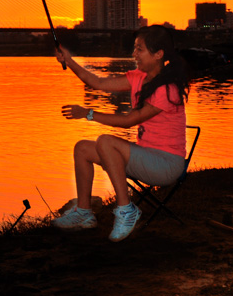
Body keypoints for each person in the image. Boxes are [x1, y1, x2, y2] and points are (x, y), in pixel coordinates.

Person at [52, 25, 190, 241]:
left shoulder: (166, 89)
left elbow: (128, 121)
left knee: (106, 141)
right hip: (145, 155)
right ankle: (84, 212)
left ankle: (126, 209)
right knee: (82, 149)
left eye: (139, 49)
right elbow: (97, 83)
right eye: (134, 48)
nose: (133, 54)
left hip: (166, 165)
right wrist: (68, 61)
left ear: (158, 54)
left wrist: (88, 114)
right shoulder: (137, 77)